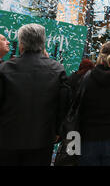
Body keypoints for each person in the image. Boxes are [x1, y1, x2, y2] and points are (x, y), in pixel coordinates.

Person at [0, 24, 69, 165]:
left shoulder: (5, 69)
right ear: (43, 43)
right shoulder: (57, 69)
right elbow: (64, 104)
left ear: (21, 44)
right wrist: (57, 131)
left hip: (8, 139)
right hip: (42, 140)